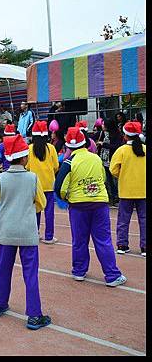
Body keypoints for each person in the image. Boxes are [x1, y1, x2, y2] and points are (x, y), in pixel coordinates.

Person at [0, 134, 51, 330]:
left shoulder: (0, 179)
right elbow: (42, 203)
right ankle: (34, 315)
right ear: (23, 158)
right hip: (28, 232)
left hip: (6, 232)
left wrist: (2, 210)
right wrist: (28, 209)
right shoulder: (32, 178)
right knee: (30, 273)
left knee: (3, 269)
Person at [54, 127, 126, 287]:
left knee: (79, 240)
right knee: (103, 239)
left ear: (68, 146)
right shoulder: (96, 158)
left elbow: (59, 188)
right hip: (99, 203)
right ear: (85, 142)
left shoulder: (69, 162)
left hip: (78, 206)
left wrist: (68, 198)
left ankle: (79, 271)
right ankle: (112, 275)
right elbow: (103, 178)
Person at [110, 121, 146, 257]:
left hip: (126, 190)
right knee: (144, 219)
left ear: (125, 136)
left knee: (123, 219)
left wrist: (123, 175)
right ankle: (144, 247)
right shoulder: (145, 149)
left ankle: (122, 245)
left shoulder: (122, 150)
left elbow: (113, 169)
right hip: (143, 190)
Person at [26, 121, 59, 244]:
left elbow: (27, 166)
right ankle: (49, 236)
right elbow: (56, 166)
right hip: (49, 184)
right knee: (49, 211)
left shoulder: (29, 149)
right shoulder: (51, 148)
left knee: (35, 210)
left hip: (34, 184)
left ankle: (35, 233)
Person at [96, 117, 122, 206]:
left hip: (112, 159)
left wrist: (104, 144)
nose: (102, 126)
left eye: (104, 124)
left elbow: (116, 146)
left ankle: (116, 197)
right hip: (103, 159)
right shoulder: (102, 133)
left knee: (114, 180)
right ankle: (110, 197)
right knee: (107, 179)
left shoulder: (116, 134)